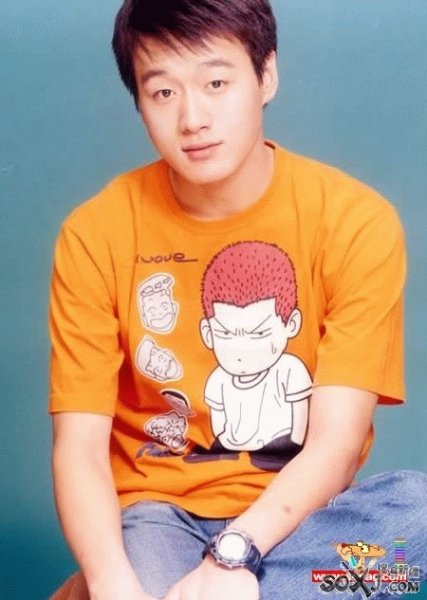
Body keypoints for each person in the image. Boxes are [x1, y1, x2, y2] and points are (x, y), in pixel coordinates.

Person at [49, 1, 427, 599]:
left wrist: (233, 558)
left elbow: (337, 446)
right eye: (163, 92)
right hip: (160, 511)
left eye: (216, 83)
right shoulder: (96, 234)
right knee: (134, 579)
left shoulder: (356, 222)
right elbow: (80, 450)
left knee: (416, 517)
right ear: (139, 102)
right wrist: (111, 580)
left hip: (300, 518)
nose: (193, 118)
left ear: (265, 75)